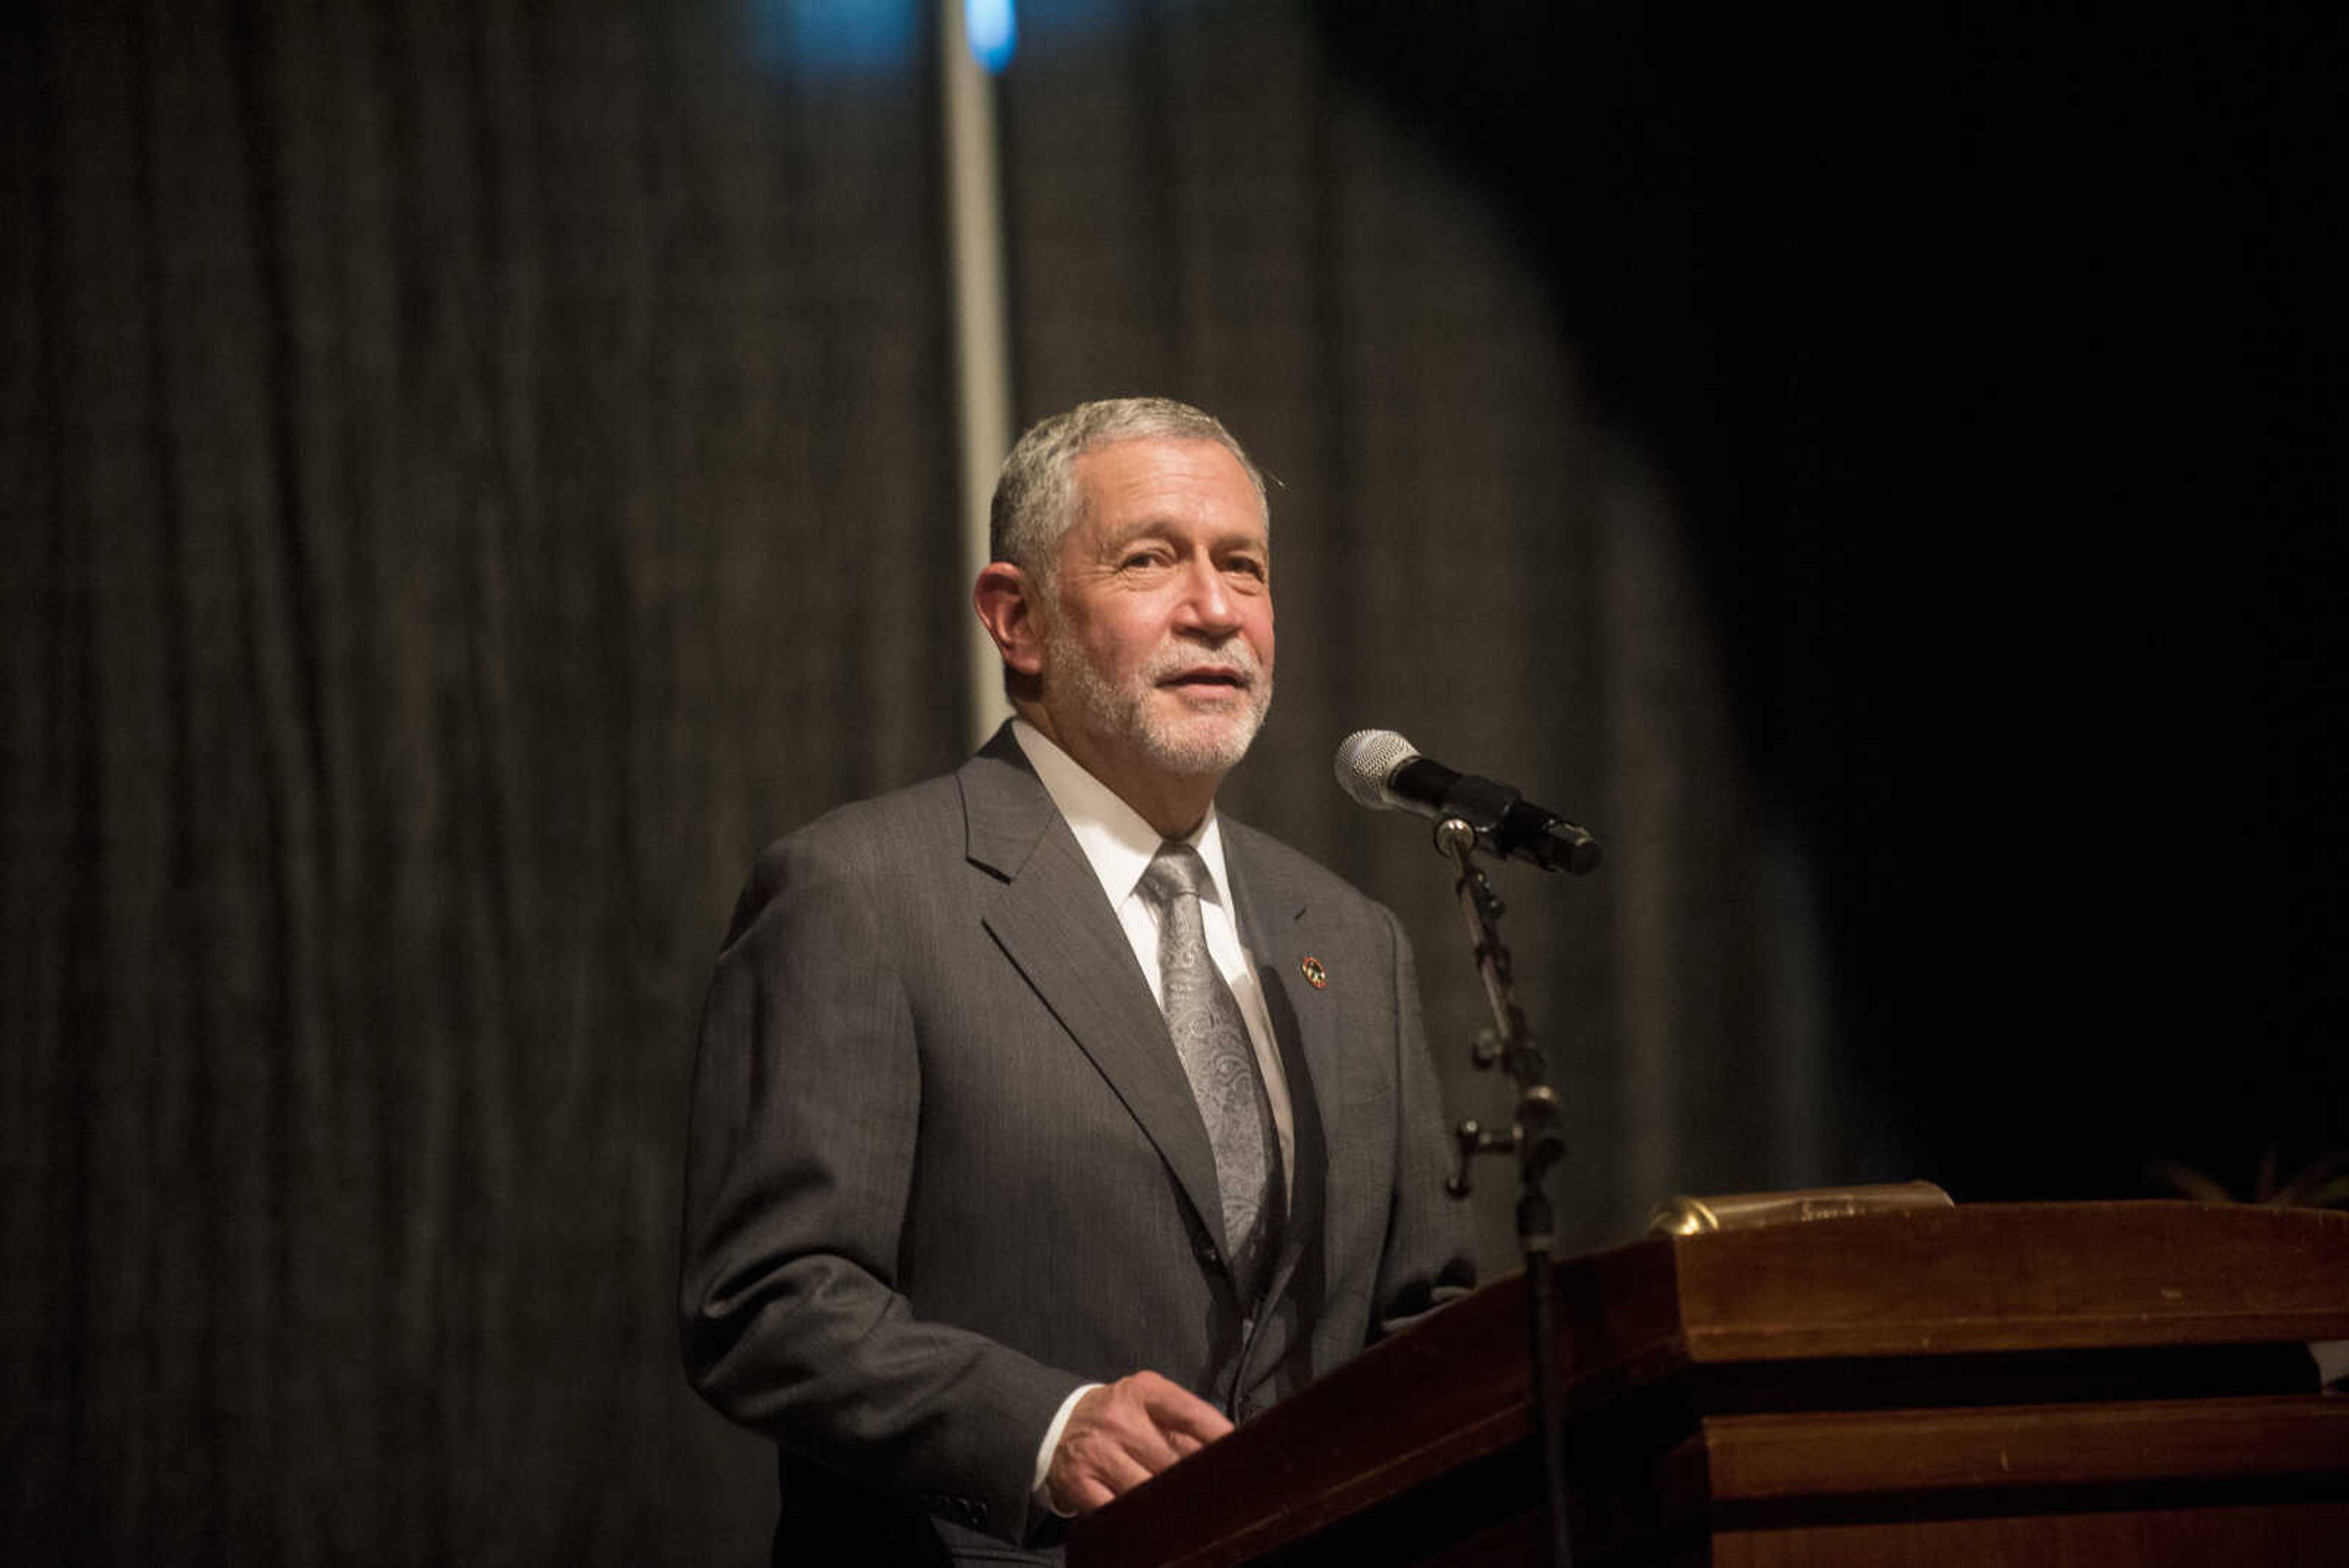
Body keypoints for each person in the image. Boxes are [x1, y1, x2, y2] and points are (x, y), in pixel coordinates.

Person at [680, 397, 1474, 1563]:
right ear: (1019, 619)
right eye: (1151, 560)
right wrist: (1043, 1432)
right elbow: (767, 1301)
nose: (1214, 610)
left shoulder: (1351, 941)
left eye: (1243, 569)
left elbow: (1425, 1318)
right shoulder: (863, 893)